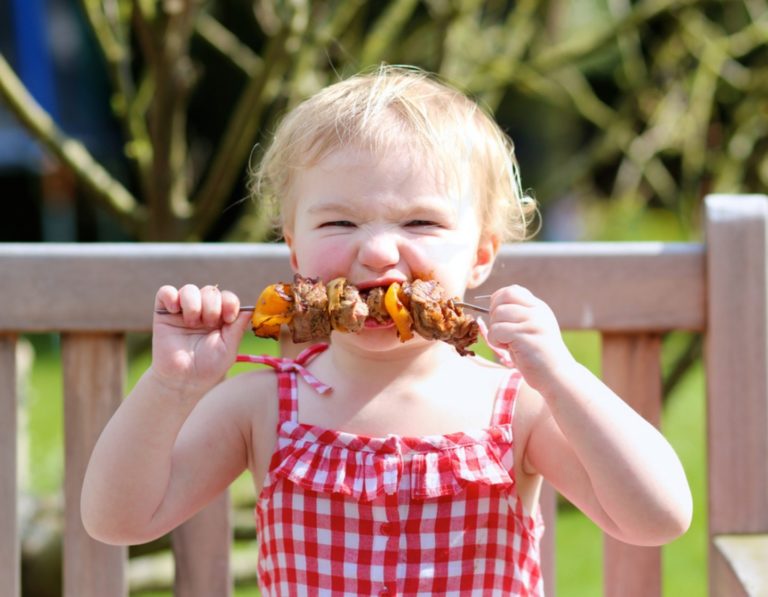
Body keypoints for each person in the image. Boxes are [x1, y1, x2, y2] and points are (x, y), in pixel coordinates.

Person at [81, 66, 692, 596]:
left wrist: (561, 375)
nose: (376, 252)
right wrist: (170, 387)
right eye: (340, 220)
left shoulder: (518, 408)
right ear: (294, 249)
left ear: (480, 256)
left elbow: (657, 518)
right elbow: (117, 519)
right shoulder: (260, 406)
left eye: (421, 221)